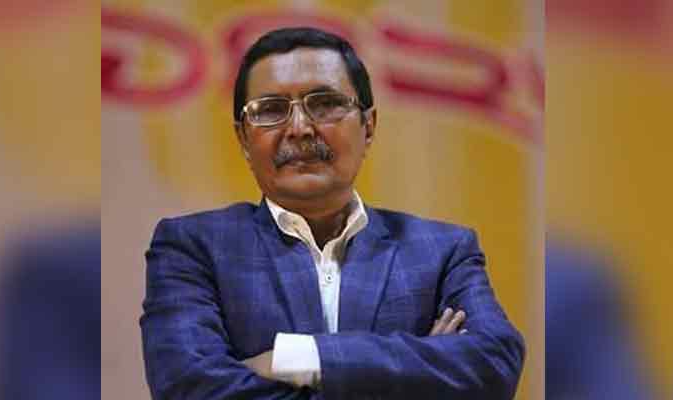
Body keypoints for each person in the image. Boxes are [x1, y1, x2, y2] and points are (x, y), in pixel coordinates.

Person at [140, 27, 524, 400]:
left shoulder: (441, 251)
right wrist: (418, 374)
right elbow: (186, 387)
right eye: (271, 110)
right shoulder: (194, 249)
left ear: (368, 126)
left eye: (324, 104)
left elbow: (495, 364)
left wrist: (301, 358)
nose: (300, 128)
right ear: (243, 138)